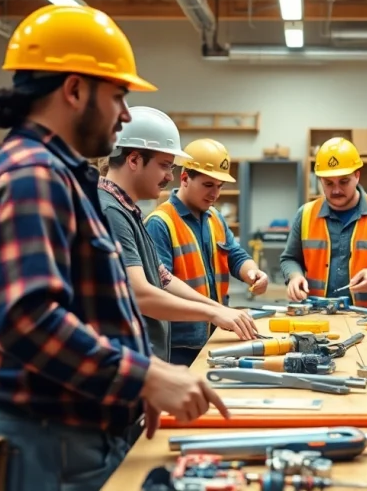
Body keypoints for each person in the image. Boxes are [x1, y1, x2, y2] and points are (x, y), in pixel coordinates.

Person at [0, 4, 227, 491]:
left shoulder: (58, 175)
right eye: (118, 95)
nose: (124, 115)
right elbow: (28, 319)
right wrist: (144, 375)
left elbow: (84, 304)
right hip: (45, 439)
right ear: (74, 89)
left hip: (69, 432)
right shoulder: (31, 177)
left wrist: (125, 382)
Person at [100, 109, 260, 363]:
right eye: (164, 165)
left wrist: (218, 309)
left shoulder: (127, 210)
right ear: (133, 160)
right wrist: (210, 314)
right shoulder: (111, 212)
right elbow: (140, 294)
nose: (169, 176)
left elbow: (163, 278)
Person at [144, 138, 270, 367]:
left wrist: (252, 272)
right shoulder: (160, 223)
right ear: (184, 178)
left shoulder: (215, 218)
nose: (215, 194)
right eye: (208, 185)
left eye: (220, 186)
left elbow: (234, 255)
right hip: (179, 345)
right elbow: (160, 287)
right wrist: (212, 311)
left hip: (215, 333)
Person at [279, 137, 367, 307]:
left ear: (357, 176)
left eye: (344, 181)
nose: (336, 190)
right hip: (316, 313)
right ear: (320, 179)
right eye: (328, 183)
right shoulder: (305, 214)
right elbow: (289, 258)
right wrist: (294, 276)